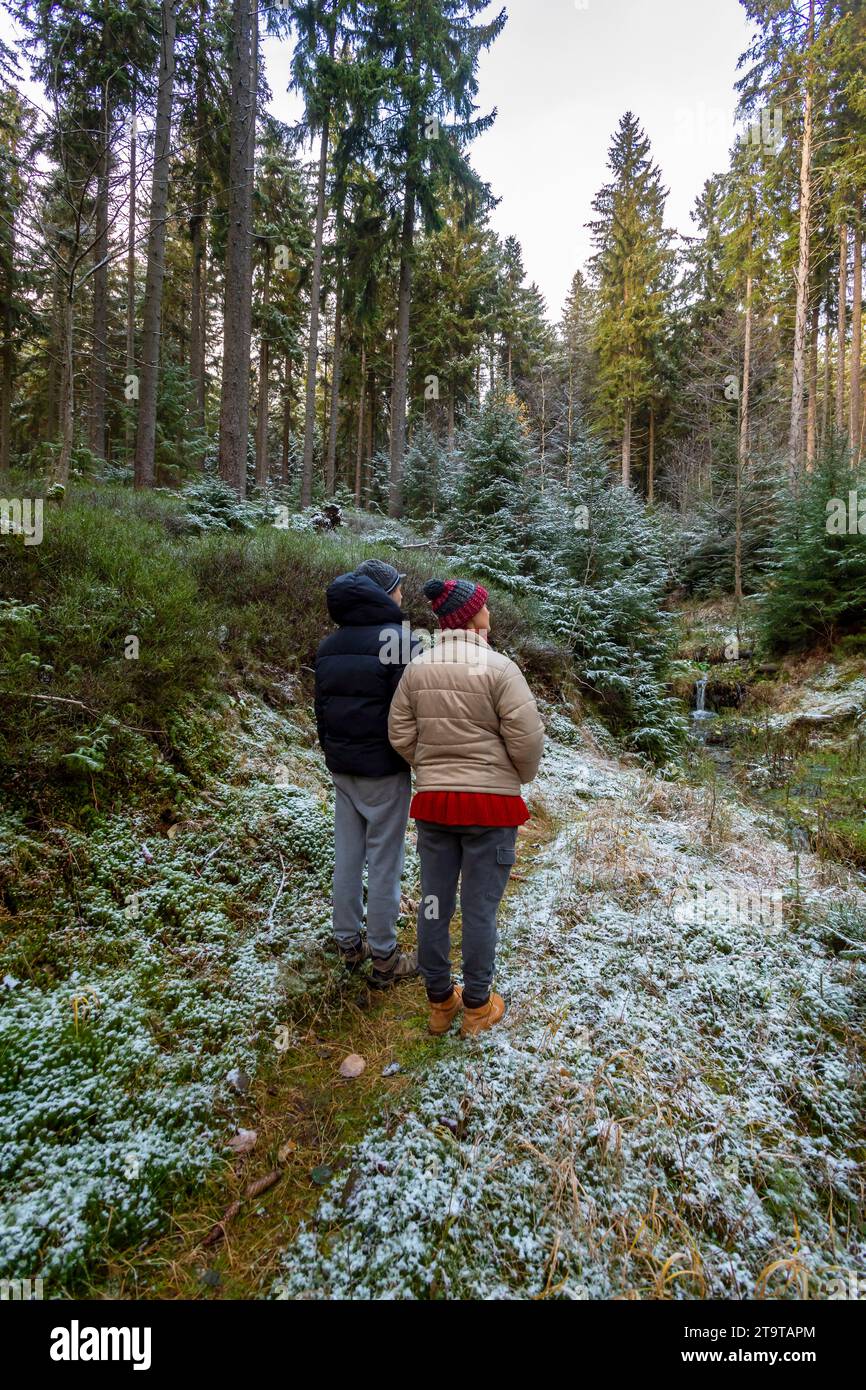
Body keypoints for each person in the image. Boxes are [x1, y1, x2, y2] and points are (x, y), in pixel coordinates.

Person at [388, 577, 545, 1036]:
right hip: (491, 811)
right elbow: (527, 739)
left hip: (435, 806)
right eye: (486, 608)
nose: (490, 614)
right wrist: (514, 775)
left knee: (434, 903)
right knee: (479, 909)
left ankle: (440, 1003)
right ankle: (477, 1007)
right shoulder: (500, 669)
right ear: (473, 617)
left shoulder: (417, 669)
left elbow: (399, 733)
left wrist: (433, 768)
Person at [314, 560, 419, 989]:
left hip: (342, 768)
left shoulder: (329, 646)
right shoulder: (402, 643)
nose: (401, 595)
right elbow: (410, 713)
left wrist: (334, 753)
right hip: (385, 770)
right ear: (384, 593)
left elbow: (322, 711)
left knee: (348, 857)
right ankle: (384, 957)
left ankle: (346, 942)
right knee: (385, 863)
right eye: (398, 588)